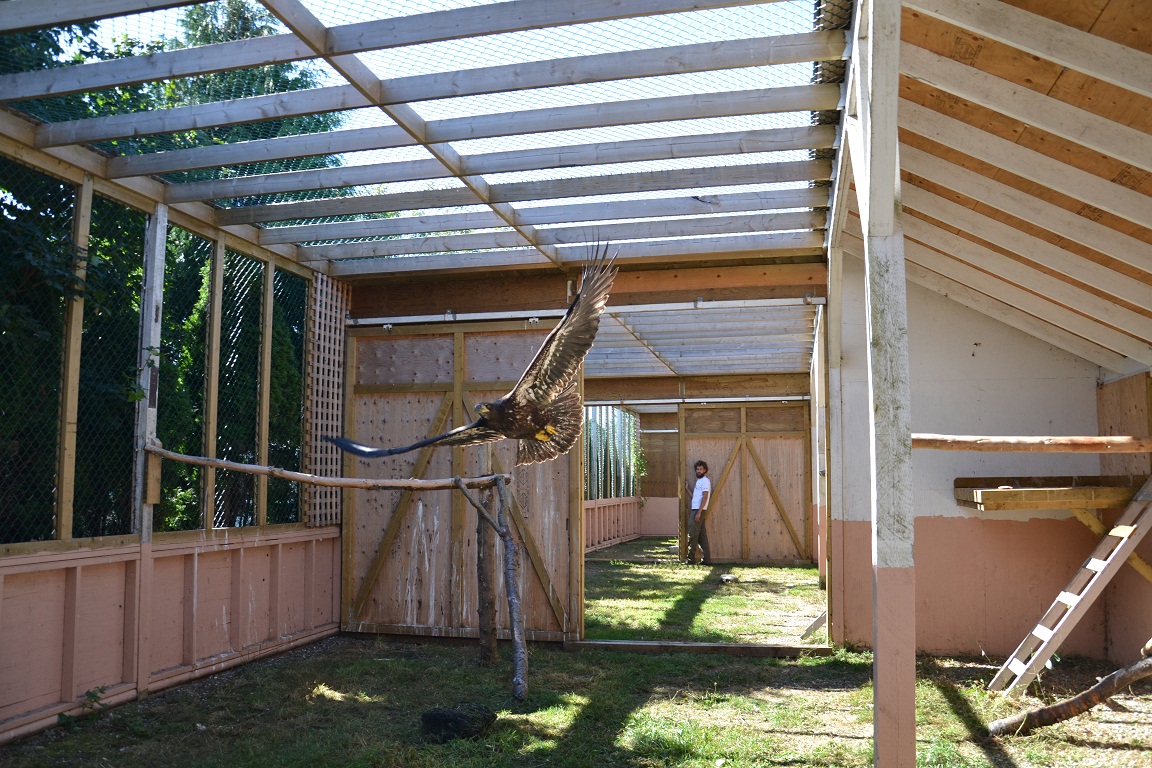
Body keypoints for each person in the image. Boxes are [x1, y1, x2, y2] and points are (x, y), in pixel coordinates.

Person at [686, 460, 712, 565]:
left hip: (698, 510)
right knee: (702, 537)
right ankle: (707, 560)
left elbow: (705, 497)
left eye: (701, 469)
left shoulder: (705, 481)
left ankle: (691, 559)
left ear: (705, 470)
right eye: (697, 469)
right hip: (696, 509)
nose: (699, 471)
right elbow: (695, 497)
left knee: (692, 535)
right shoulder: (699, 482)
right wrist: (687, 489)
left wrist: (699, 513)